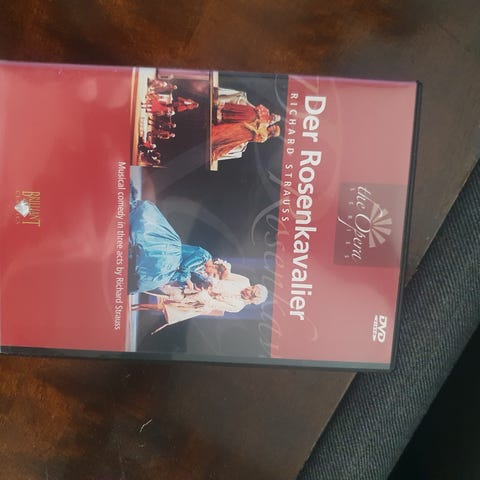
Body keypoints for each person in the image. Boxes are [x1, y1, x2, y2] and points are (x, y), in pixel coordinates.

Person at [128, 198, 213, 294]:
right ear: (214, 266)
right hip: (173, 254)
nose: (208, 275)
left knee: (159, 276)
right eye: (212, 273)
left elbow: (184, 271)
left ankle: (130, 264)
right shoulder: (203, 256)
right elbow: (184, 266)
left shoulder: (202, 266)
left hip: (173, 262)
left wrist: (187, 280)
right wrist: (187, 279)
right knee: (152, 251)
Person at [211, 122, 281, 161]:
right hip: (244, 127)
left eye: (274, 127)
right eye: (274, 125)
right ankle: (213, 132)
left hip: (245, 135)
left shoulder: (264, 137)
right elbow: (257, 122)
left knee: (228, 137)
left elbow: (255, 137)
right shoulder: (265, 126)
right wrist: (253, 125)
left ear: (273, 132)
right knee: (228, 130)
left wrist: (252, 128)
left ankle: (213, 140)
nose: (272, 126)